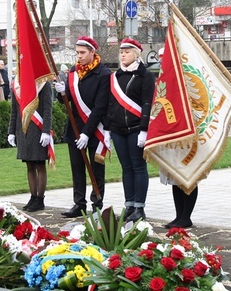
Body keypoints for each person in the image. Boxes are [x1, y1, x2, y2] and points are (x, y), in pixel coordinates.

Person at [54, 36, 111, 218]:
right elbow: (68, 100)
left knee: (96, 169)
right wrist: (61, 92)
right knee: (77, 168)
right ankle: (79, 203)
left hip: (95, 129)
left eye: (82, 53)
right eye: (77, 53)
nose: (79, 56)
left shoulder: (103, 74)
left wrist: (87, 133)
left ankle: (96, 203)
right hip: (75, 127)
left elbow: (101, 106)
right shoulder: (73, 73)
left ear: (92, 52)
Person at [105, 38, 155, 222]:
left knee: (138, 167)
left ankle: (140, 208)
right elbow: (111, 104)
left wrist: (144, 129)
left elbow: (147, 103)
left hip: (136, 129)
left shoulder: (145, 75)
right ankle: (129, 204)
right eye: (121, 51)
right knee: (126, 168)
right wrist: (107, 129)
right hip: (118, 129)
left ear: (136, 53)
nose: (123, 54)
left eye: (127, 51)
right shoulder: (116, 76)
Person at [8, 78, 54, 212]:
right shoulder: (17, 84)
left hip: (38, 130)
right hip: (23, 129)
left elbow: (47, 109)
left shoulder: (43, 84)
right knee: (29, 164)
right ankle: (33, 197)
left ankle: (40, 199)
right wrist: (11, 132)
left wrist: (46, 130)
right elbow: (14, 111)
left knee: (39, 164)